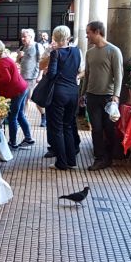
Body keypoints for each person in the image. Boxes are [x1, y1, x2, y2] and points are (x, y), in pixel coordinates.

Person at [80, 21, 123, 171]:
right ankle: (99, 158)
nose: (87, 36)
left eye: (89, 33)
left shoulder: (114, 51)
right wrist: (83, 94)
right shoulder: (89, 52)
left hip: (108, 97)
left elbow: (119, 75)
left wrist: (116, 96)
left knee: (109, 129)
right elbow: (87, 74)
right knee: (96, 128)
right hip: (92, 96)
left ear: (97, 32)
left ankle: (110, 156)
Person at [45, 26, 82, 170]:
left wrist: (48, 72)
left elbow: (52, 74)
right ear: (68, 36)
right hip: (73, 92)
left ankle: (61, 162)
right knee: (68, 126)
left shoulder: (56, 53)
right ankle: (71, 160)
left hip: (58, 93)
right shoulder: (77, 51)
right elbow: (78, 70)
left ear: (55, 37)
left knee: (57, 128)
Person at [17, 28, 45, 127]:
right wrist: (19, 57)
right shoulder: (22, 48)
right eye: (22, 36)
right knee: (26, 98)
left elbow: (41, 62)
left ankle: (43, 116)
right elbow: (18, 62)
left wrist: (40, 75)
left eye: (25, 36)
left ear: (31, 37)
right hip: (22, 77)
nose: (23, 38)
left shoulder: (38, 46)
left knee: (30, 98)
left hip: (33, 77)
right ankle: (23, 117)